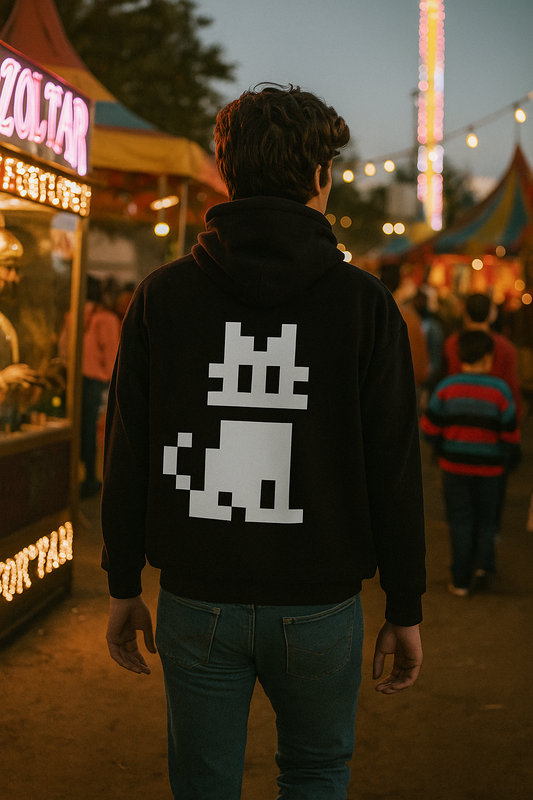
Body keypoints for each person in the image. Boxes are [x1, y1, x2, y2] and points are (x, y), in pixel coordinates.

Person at [102, 84, 426, 799]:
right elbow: (395, 468)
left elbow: (127, 450)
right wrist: (404, 605)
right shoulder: (366, 305)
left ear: (226, 175)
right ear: (320, 177)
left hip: (196, 596)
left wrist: (123, 581)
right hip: (320, 602)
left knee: (203, 782)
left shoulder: (162, 295)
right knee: (315, 773)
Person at [420, 330, 521, 596]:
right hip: (491, 470)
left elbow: (428, 428)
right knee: (487, 519)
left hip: (454, 468)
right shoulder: (500, 390)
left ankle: (461, 581)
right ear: (488, 357)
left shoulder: (447, 388)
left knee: (460, 520)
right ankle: (484, 566)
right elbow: (511, 434)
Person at [443, 293, 523, 420]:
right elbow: (512, 389)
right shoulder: (507, 348)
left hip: (456, 415)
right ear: (491, 315)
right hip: (493, 419)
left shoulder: (451, 344)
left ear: (465, 314)